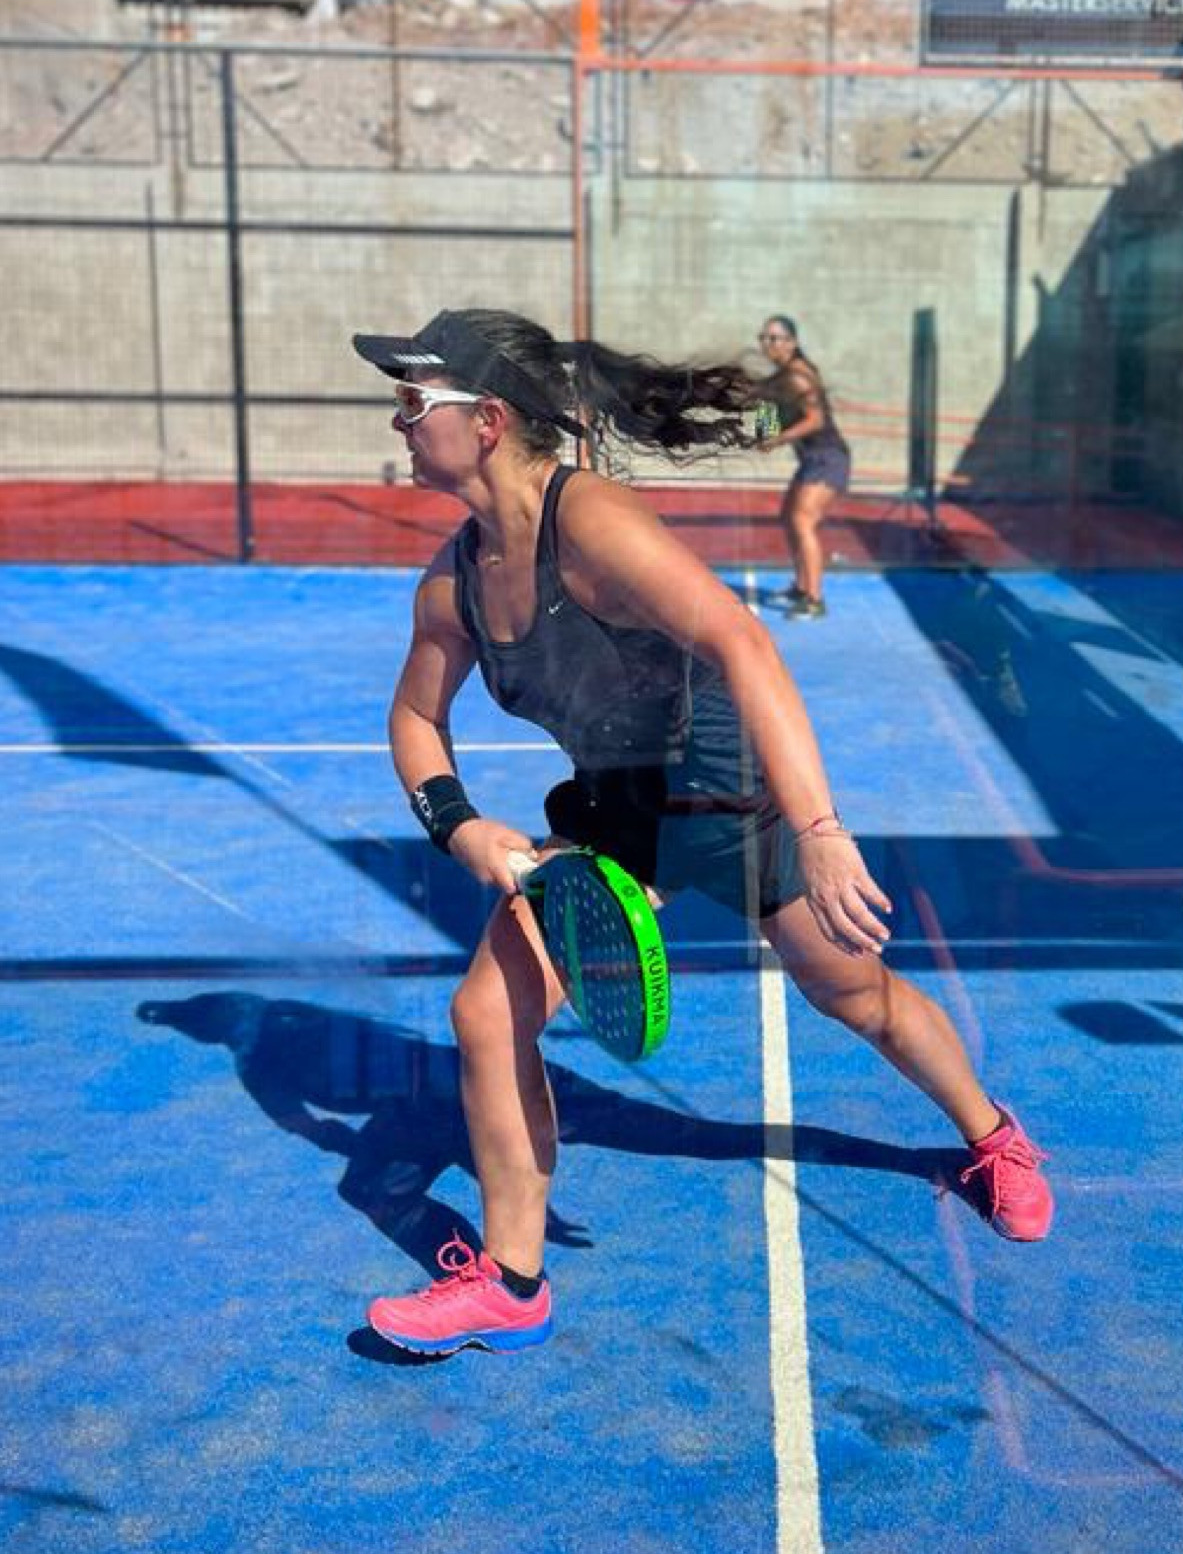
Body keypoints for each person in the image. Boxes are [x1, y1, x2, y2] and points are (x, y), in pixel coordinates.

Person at [351, 307, 1053, 1358]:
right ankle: (512, 1282)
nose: (399, 422)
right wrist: (460, 828)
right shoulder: (454, 581)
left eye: (414, 402)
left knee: (853, 994)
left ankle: (993, 1138)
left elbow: (741, 641)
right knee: (486, 1014)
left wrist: (820, 828)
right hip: (616, 809)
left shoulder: (590, 522)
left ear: (486, 420)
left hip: (725, 795)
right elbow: (416, 718)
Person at [756, 314, 851, 618]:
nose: (768, 344)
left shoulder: (798, 375)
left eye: (775, 338)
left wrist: (777, 438)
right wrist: (764, 427)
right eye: (764, 338)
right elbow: (766, 420)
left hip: (828, 458)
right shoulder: (779, 378)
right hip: (812, 459)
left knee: (802, 521)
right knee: (789, 517)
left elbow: (816, 420)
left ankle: (814, 600)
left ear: (792, 342)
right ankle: (800, 587)